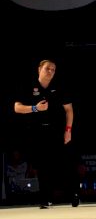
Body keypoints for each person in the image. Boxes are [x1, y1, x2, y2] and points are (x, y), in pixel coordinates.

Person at [13, 59, 79, 208]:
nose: (50, 72)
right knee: (43, 166)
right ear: (39, 69)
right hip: (36, 132)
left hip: (57, 130)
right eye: (47, 69)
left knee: (64, 163)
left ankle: (74, 194)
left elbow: (69, 110)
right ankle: (45, 199)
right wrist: (35, 108)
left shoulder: (59, 87)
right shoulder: (27, 86)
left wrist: (68, 130)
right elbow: (17, 107)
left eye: (53, 70)